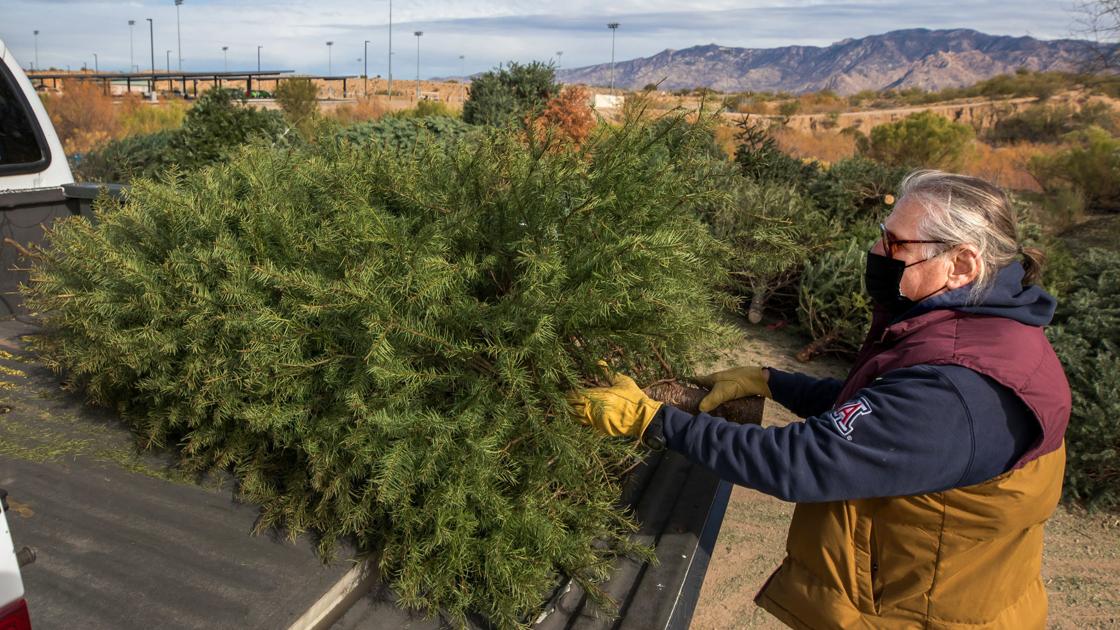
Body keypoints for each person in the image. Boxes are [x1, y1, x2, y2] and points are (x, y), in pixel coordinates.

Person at [569, 170, 1071, 629]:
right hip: (932, 596)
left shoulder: (959, 389)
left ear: (962, 263)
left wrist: (651, 419)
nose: (877, 251)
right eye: (882, 233)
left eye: (895, 243)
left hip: (919, 618)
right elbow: (880, 413)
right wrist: (772, 381)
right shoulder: (986, 330)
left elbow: (800, 462)